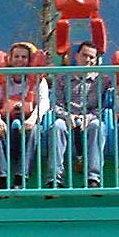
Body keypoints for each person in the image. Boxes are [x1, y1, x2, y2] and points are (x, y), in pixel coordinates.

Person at [0, 42, 50, 190]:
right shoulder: (1, 80)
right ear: (10, 58)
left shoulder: (38, 80)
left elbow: (44, 102)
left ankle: (21, 177)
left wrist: (33, 119)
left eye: (24, 57)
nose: (20, 60)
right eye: (16, 56)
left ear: (29, 60)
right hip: (6, 121)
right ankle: (2, 179)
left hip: (28, 121)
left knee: (33, 131)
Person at [48, 41, 109, 188]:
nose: (88, 60)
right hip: (66, 117)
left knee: (98, 127)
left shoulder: (102, 80)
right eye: (84, 55)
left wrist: (88, 117)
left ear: (96, 61)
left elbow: (104, 105)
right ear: (76, 56)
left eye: (91, 57)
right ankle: (55, 179)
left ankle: (93, 178)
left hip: (90, 118)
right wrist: (67, 116)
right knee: (57, 127)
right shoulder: (62, 78)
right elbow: (55, 103)